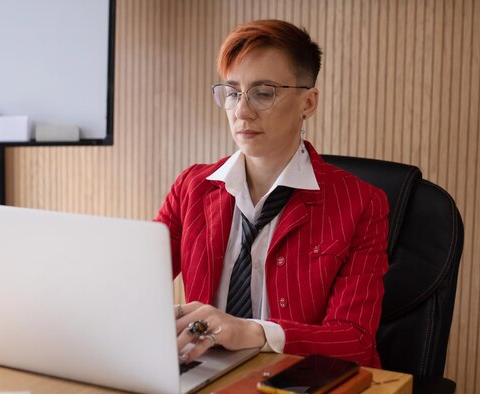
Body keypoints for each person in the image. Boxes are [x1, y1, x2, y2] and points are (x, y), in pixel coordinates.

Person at [155, 19, 389, 368]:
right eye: (233, 93)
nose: (241, 111)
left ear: (308, 103)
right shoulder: (192, 187)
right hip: (205, 374)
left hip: (294, 380)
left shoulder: (361, 205)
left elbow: (354, 340)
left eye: (263, 93)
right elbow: (133, 286)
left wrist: (254, 332)